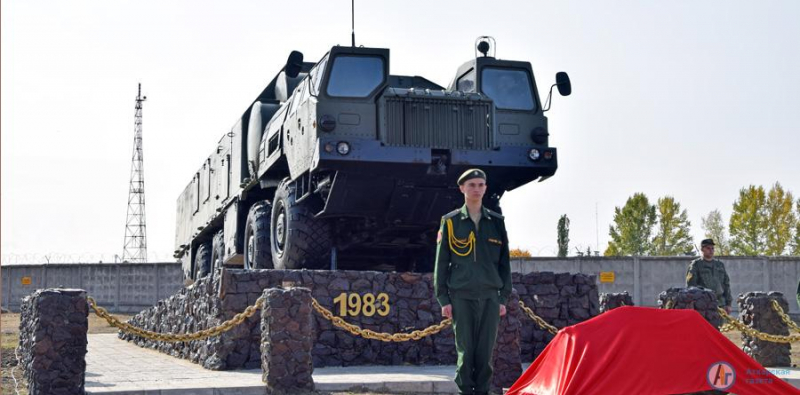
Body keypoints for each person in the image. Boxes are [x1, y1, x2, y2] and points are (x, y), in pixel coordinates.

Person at [434, 168, 512, 395]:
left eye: (480, 185)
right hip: (461, 296)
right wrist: (443, 299)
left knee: (485, 353)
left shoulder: (496, 222)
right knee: (466, 352)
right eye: (472, 185)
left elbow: (504, 263)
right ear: (462, 189)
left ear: (485, 188)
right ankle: (466, 391)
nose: (476, 189)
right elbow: (441, 263)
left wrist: (502, 297)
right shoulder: (450, 222)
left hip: (489, 296)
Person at [686, 239, 733, 313]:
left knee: (721, 324)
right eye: (708, 248)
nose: (711, 250)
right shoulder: (696, 265)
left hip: (720, 303)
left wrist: (729, 304)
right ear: (702, 249)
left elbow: (726, 284)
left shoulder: (719, 265)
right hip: (703, 304)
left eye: (712, 248)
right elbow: (691, 286)